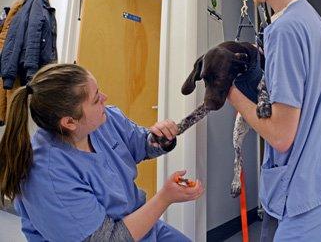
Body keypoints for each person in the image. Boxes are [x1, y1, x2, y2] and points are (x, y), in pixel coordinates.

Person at [228, 0, 321, 241]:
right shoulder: (307, 18)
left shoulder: (285, 30)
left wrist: (229, 92)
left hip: (304, 191)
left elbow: (281, 136)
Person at [0, 63, 204, 241]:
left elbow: (141, 143)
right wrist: (165, 198)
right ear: (70, 122)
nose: (104, 98)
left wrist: (161, 138)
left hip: (141, 226)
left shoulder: (105, 119)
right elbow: (109, 239)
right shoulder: (48, 175)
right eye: (96, 99)